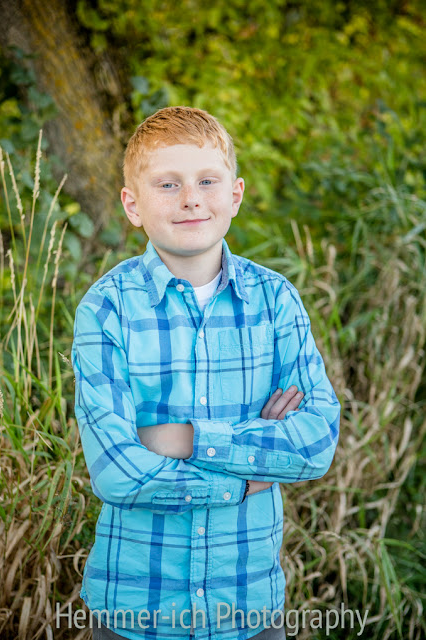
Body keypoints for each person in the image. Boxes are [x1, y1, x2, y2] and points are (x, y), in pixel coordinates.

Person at [71, 106, 341, 640]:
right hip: (136, 610)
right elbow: (116, 472)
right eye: (168, 184)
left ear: (235, 195)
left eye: (207, 181)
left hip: (248, 607)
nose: (191, 198)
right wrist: (249, 477)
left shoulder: (275, 302)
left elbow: (316, 442)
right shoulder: (106, 309)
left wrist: (186, 439)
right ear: (133, 205)